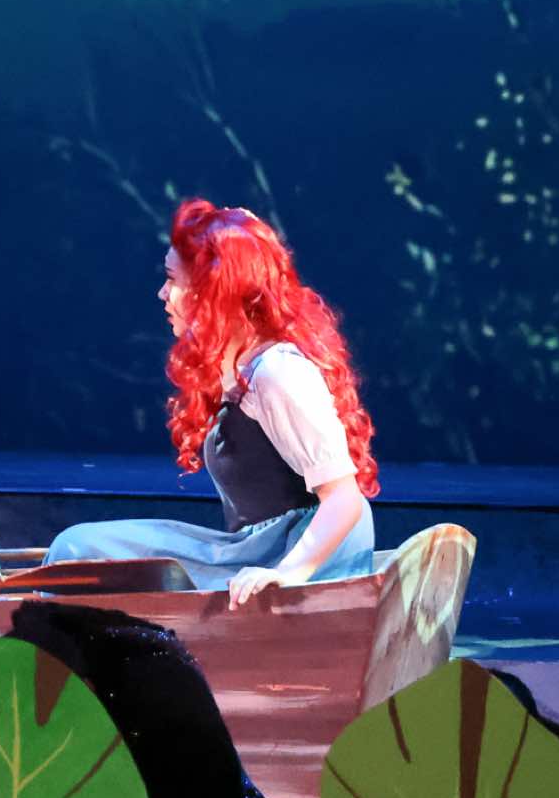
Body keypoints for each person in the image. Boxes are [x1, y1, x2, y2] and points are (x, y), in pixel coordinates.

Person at [43, 199, 377, 606]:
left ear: (213, 291)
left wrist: (287, 573)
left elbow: (344, 498)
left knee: (78, 549)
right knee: (77, 550)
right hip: (255, 549)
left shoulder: (278, 373)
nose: (162, 293)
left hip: (296, 558)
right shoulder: (241, 365)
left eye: (173, 280)